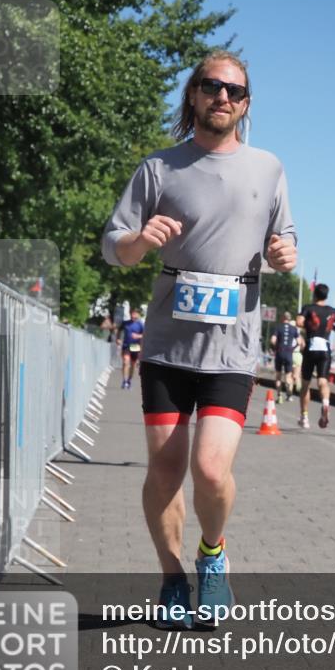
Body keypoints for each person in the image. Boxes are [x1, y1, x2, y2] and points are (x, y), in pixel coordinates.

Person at [101, 49, 298, 628]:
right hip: (166, 347)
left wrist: (286, 256)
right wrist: (141, 240)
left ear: (246, 104)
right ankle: (171, 578)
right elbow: (113, 246)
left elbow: (284, 243)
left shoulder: (268, 168)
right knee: (164, 471)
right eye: (211, 86)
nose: (222, 97)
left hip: (232, 348)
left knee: (211, 469)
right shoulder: (159, 169)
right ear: (193, 94)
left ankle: (212, 553)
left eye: (234, 91)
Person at [297, 284, 335, 429]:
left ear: (314, 294)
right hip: (325, 349)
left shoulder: (308, 308)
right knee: (322, 382)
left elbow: (299, 322)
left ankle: (304, 417)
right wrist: (331, 327)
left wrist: (308, 324)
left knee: (305, 385)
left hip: (311, 347)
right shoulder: (333, 311)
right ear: (326, 295)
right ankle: (325, 403)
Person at [270, 311, 301, 401]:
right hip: (289, 353)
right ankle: (289, 395)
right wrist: (292, 348)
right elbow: (299, 342)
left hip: (280, 352)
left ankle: (279, 396)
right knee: (288, 376)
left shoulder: (278, 327)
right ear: (289, 318)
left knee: (278, 376)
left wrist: (276, 347)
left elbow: (272, 340)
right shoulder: (294, 329)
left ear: (283, 318)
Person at [116, 308, 145, 389]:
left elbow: (145, 335)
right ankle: (124, 380)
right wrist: (117, 339)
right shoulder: (125, 323)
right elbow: (119, 330)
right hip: (126, 345)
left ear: (138, 315)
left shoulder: (140, 324)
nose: (133, 315)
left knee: (133, 365)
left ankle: (129, 380)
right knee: (125, 362)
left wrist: (138, 336)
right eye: (132, 313)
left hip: (135, 347)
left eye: (135, 314)